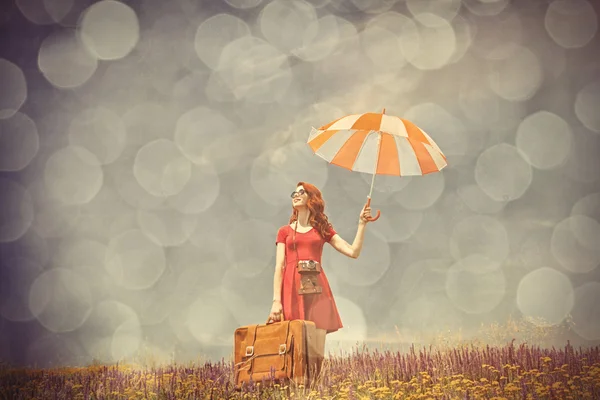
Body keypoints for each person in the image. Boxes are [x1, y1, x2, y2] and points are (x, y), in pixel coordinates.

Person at [269, 181, 371, 376]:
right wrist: (276, 301)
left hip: (317, 289)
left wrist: (361, 224)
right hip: (290, 290)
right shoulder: (284, 231)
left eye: (302, 192)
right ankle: (293, 389)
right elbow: (279, 267)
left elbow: (353, 252)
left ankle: (313, 389)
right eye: (294, 192)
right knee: (292, 344)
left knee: (316, 349)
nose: (296, 195)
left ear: (311, 199)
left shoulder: (322, 230)